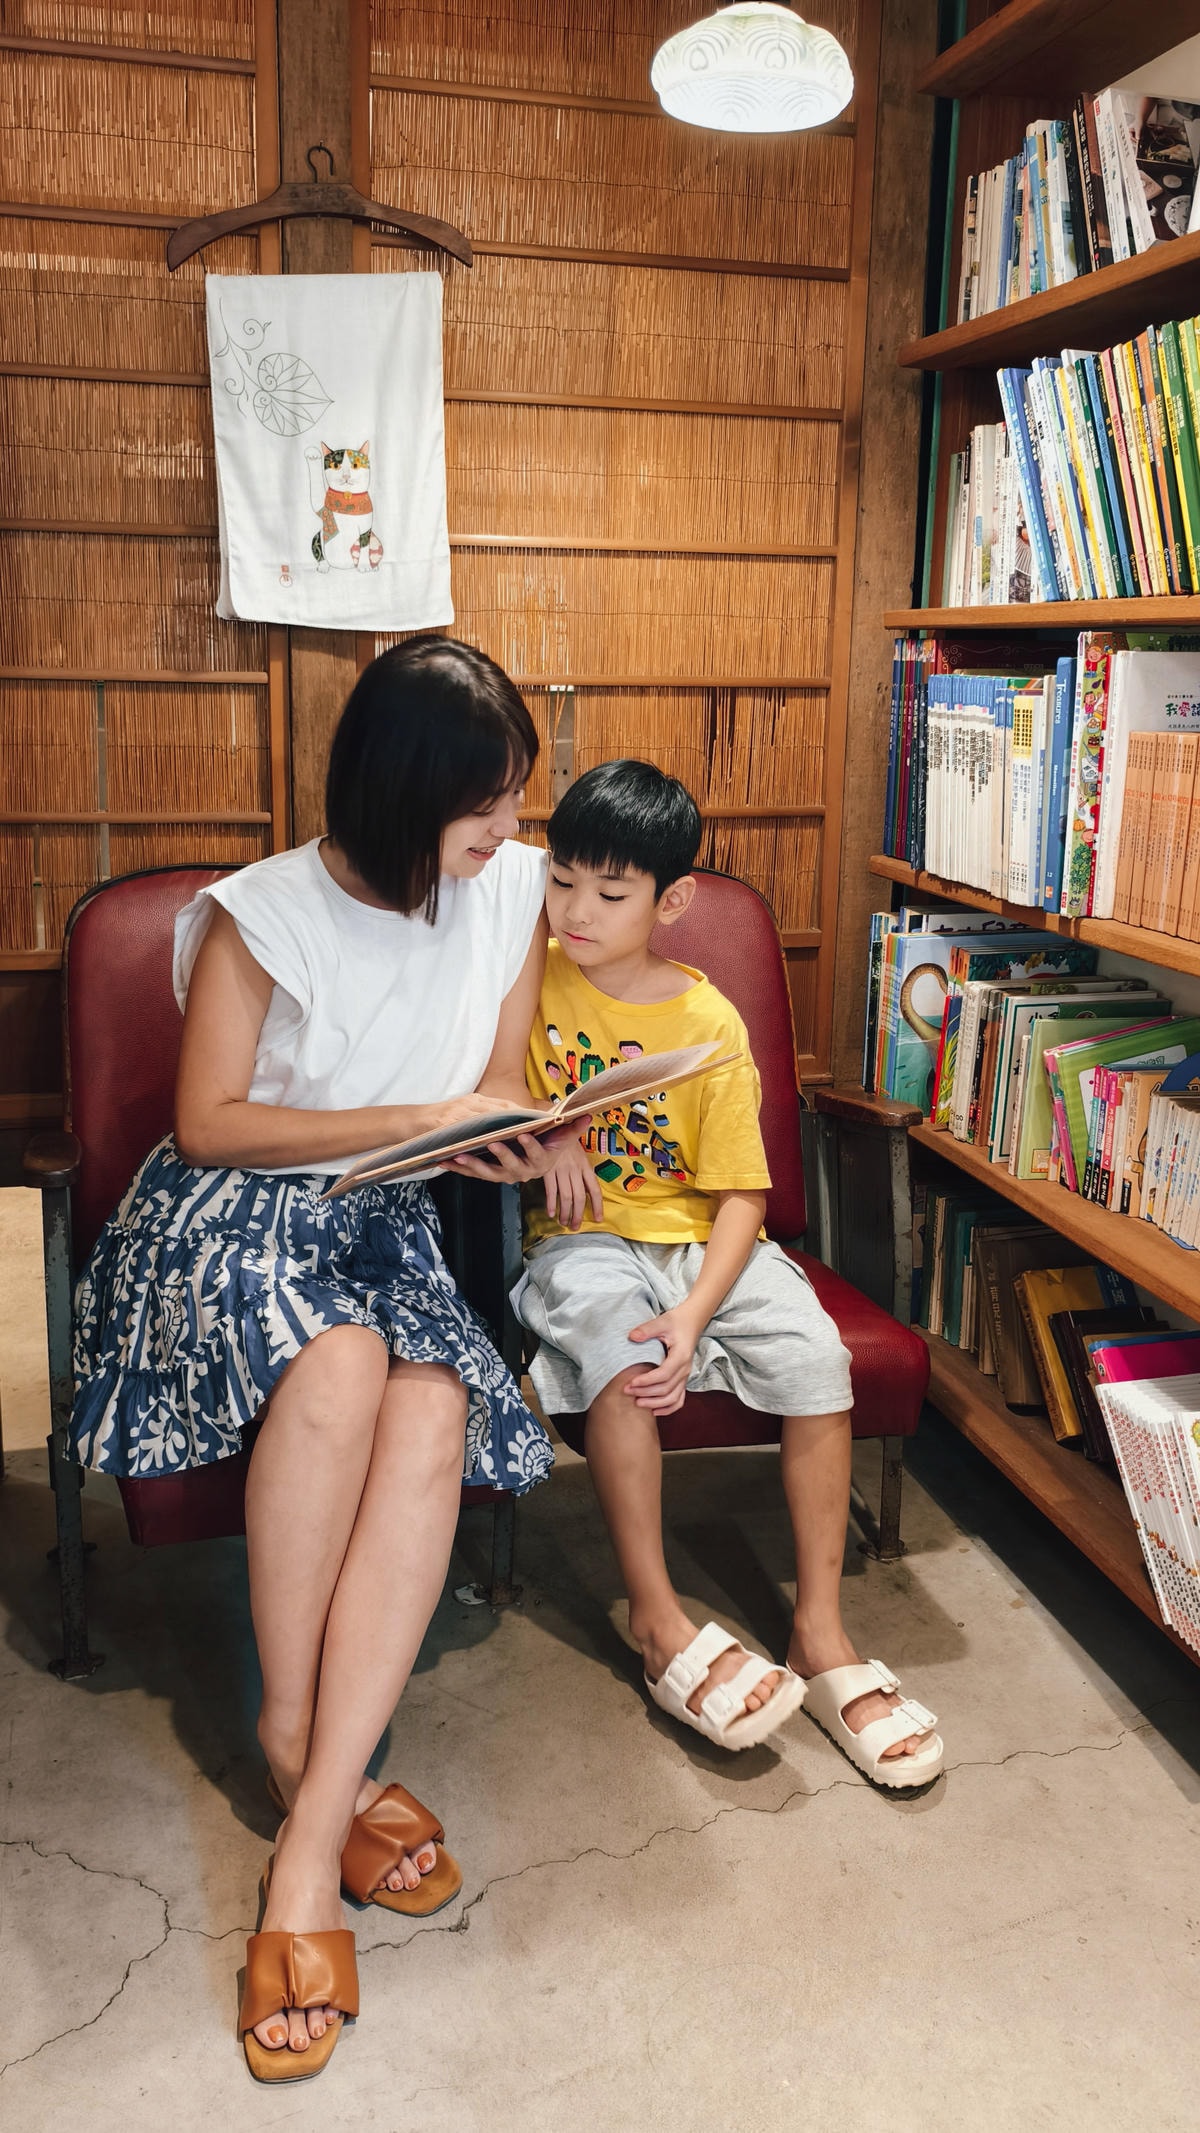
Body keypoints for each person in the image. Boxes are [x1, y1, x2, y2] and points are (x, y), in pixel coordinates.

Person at [69, 637, 570, 2082]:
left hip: (387, 1213)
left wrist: (533, 1127)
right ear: (405, 794)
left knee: (422, 1406)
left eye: (518, 798)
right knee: (346, 1368)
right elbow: (212, 1123)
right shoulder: (262, 915)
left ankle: (309, 1788)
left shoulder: (507, 894)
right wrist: (414, 1113)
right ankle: (303, 1775)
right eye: (485, 804)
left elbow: (501, 1077)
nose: (509, 833)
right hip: (226, 1217)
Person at [513, 760, 944, 1788]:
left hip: (708, 1241)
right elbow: (477, 1093)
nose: (576, 911)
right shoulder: (522, 970)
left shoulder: (707, 1024)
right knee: (623, 1365)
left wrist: (700, 1313)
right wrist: (544, 1142)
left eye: (610, 895)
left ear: (673, 901)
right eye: (561, 880)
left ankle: (822, 1633)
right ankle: (656, 1619)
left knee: (814, 1362)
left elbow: (744, 1198)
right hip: (582, 1240)